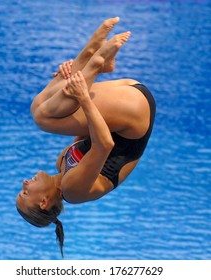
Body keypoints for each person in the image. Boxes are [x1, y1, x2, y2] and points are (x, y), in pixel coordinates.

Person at [16, 17, 156, 257]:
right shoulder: (73, 191)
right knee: (42, 118)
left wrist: (63, 85)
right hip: (135, 115)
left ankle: (96, 60)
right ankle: (95, 60)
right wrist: (82, 97)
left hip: (128, 97)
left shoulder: (62, 163)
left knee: (42, 107)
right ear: (44, 203)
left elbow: (84, 125)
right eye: (26, 192)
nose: (25, 183)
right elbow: (104, 143)